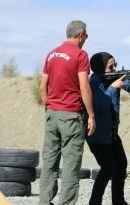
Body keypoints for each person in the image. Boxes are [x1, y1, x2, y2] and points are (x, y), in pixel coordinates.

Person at [38, 20, 96, 205]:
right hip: (71, 115)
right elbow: (84, 87)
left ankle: (45, 202)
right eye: (86, 36)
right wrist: (91, 115)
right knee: (71, 164)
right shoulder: (80, 55)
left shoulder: (51, 54)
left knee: (49, 161)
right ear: (80, 35)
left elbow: (42, 88)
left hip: (52, 114)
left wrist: (51, 107)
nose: (86, 39)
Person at [85, 52, 130, 205]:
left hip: (110, 133)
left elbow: (128, 86)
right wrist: (113, 88)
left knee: (121, 164)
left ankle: (118, 201)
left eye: (115, 65)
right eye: (111, 67)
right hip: (97, 135)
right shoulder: (94, 83)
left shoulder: (112, 78)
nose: (114, 69)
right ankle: (94, 202)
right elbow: (101, 104)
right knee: (107, 167)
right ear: (100, 67)